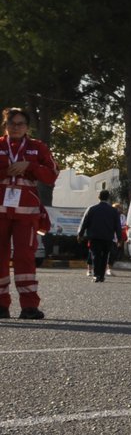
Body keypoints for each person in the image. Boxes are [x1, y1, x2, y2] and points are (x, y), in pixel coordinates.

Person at [0, 108, 57, 320]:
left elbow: (52, 175)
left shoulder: (37, 147)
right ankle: (1, 306)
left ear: (27, 126)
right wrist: (7, 168)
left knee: (25, 258)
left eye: (20, 123)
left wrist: (29, 165)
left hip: (26, 214)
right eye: (11, 123)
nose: (16, 127)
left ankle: (29, 307)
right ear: (5, 125)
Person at [78, 190, 123, 283]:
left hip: (95, 236)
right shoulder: (113, 210)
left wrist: (80, 234)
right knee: (105, 256)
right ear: (108, 198)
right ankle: (102, 276)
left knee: (96, 256)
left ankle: (96, 275)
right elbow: (118, 226)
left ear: (99, 197)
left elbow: (84, 222)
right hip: (107, 237)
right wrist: (119, 238)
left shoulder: (92, 209)